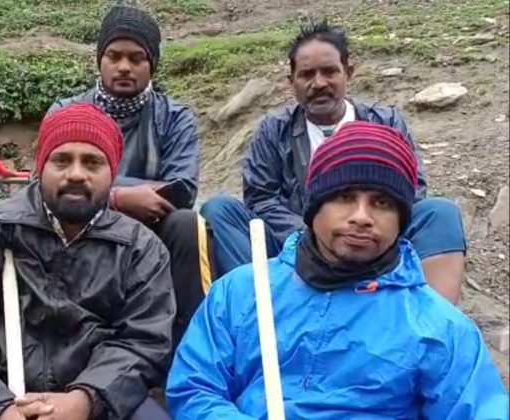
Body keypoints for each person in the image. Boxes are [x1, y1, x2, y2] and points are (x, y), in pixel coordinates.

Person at [166, 121, 509, 419]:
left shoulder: (439, 328)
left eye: (382, 203)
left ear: (401, 220)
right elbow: (195, 389)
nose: (361, 216)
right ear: (314, 208)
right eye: (344, 197)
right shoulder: (240, 293)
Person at [0, 104, 174, 420]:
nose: (77, 173)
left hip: (96, 401)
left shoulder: (140, 249)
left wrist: (84, 401)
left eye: (93, 162)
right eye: (62, 160)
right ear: (41, 167)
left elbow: (143, 344)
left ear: (113, 174)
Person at [201, 21, 466, 303]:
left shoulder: (385, 121)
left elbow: (412, 189)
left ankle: (431, 321)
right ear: (291, 82)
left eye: (329, 72)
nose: (319, 83)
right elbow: (261, 197)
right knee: (220, 210)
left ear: (348, 72)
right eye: (306, 75)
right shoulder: (274, 129)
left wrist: (367, 224)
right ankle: (260, 310)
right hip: (294, 245)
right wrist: (315, 231)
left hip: (374, 240)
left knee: (439, 212)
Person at [47, 5, 212, 347]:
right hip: (80, 224)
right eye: (114, 56)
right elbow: (44, 185)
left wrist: (98, 191)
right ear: (100, 60)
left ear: (152, 64)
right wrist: (120, 198)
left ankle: (188, 349)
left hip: (152, 226)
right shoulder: (66, 112)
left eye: (136, 58)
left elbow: (181, 189)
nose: (124, 66)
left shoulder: (175, 117)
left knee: (186, 223)